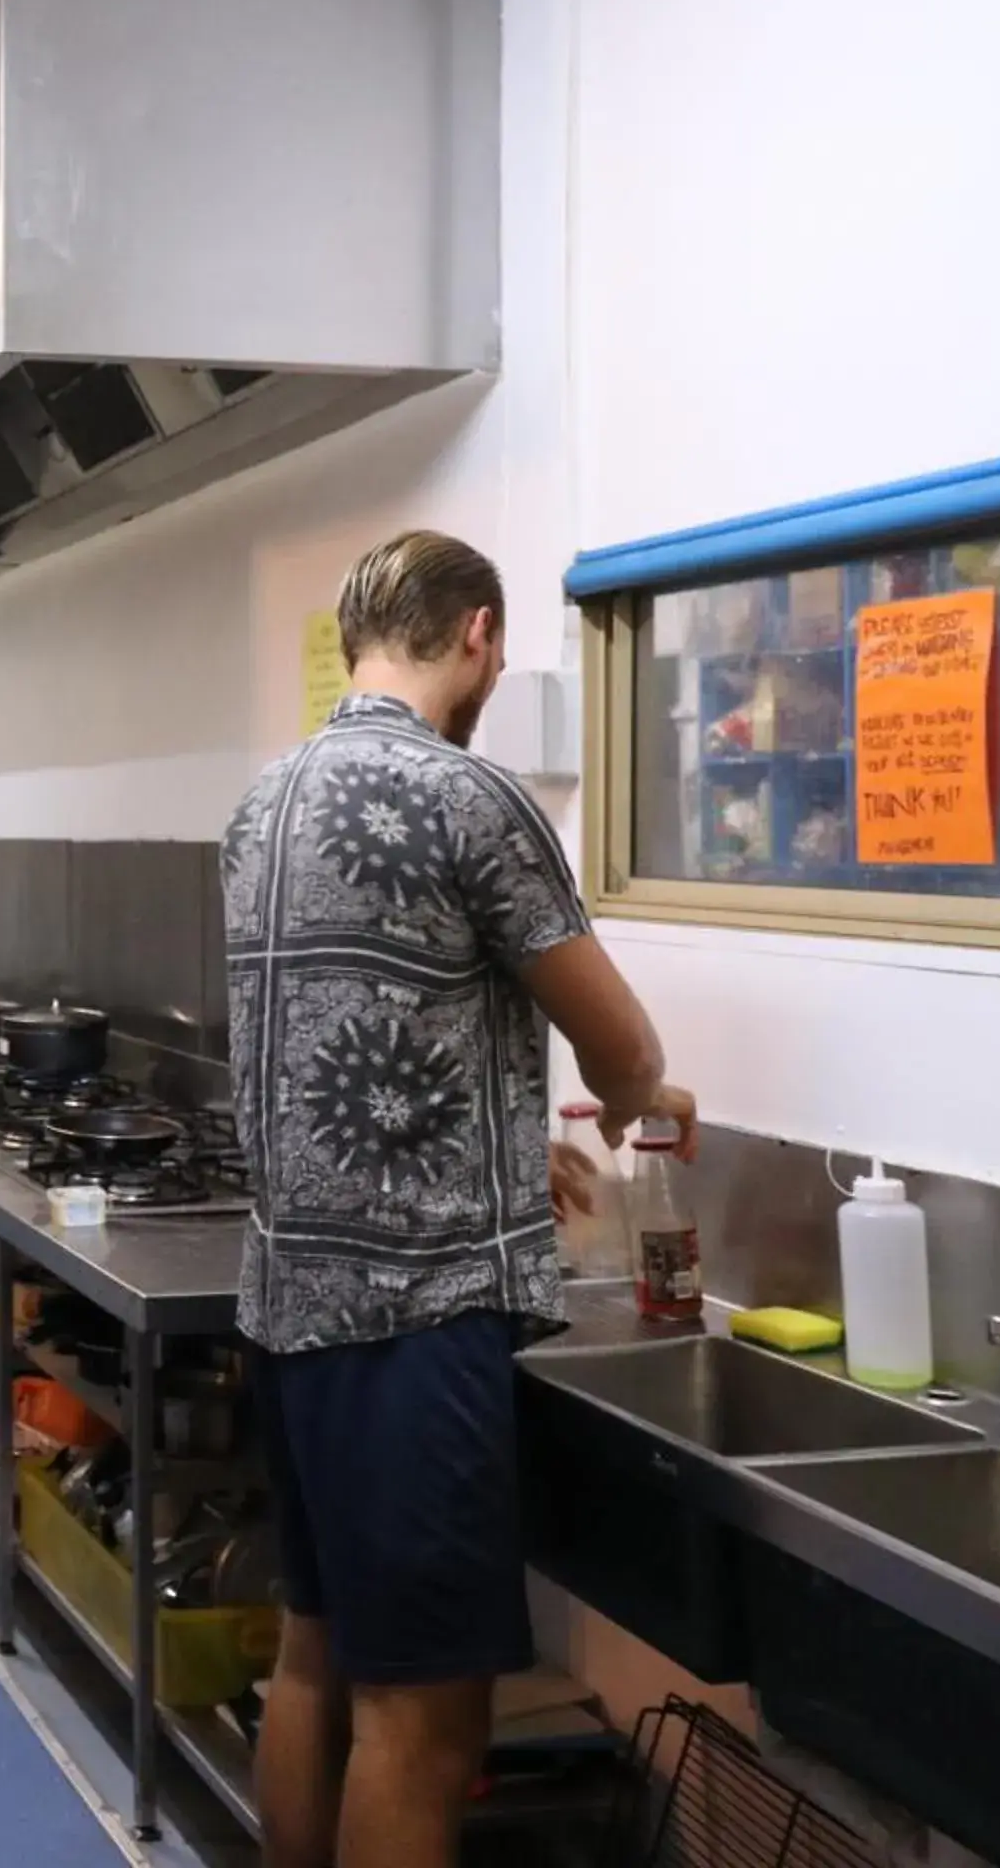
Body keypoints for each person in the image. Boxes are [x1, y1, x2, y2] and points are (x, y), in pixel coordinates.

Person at [219, 531, 700, 1868]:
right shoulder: (466, 798)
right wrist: (647, 1095)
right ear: (480, 633)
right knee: (421, 1724)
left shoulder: (267, 799)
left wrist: (496, 1150)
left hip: (290, 1309)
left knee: (315, 1666)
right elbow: (621, 1049)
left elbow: (357, 1028)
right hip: (414, 1319)